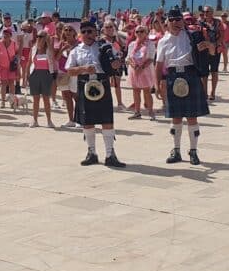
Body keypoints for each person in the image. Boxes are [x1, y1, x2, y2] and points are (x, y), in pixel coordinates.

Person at [66, 21, 125, 167]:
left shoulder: (104, 47)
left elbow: (116, 63)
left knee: (107, 120)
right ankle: (91, 152)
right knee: (88, 121)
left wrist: (117, 64)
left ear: (95, 32)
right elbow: (69, 70)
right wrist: (84, 69)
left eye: (90, 31)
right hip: (85, 84)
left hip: (102, 83)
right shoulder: (76, 50)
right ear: (80, 34)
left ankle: (110, 154)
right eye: (84, 31)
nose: (87, 34)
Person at [157, 8, 211, 165]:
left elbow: (211, 51)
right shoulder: (163, 41)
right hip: (172, 76)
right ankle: (176, 150)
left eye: (178, 19)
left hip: (190, 74)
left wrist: (206, 46)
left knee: (192, 116)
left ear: (182, 21)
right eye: (171, 19)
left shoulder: (192, 37)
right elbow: (159, 64)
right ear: (167, 22)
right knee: (176, 117)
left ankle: (193, 151)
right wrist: (157, 83)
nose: (175, 22)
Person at [126, 24, 157, 120]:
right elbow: (128, 57)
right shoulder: (132, 44)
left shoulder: (150, 44)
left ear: (146, 32)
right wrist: (134, 65)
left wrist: (142, 67)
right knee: (135, 91)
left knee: (147, 91)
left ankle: (151, 111)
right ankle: (137, 112)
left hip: (146, 70)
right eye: (137, 31)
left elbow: (151, 58)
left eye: (142, 31)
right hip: (134, 70)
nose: (139, 33)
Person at [27, 30, 56, 128]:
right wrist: (25, 76)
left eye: (41, 36)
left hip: (46, 74)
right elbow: (28, 62)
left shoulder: (49, 49)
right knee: (36, 99)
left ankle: (49, 121)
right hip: (35, 73)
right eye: (38, 36)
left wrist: (48, 43)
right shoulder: (34, 49)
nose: (39, 38)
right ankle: (34, 120)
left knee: (46, 98)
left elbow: (52, 58)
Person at [0, 28, 19, 109]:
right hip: (2, 66)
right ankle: (3, 101)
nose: (5, 35)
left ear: (10, 35)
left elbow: (17, 53)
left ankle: (12, 101)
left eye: (7, 34)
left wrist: (16, 63)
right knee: (3, 84)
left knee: (12, 83)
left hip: (11, 67)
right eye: (4, 34)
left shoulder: (14, 44)